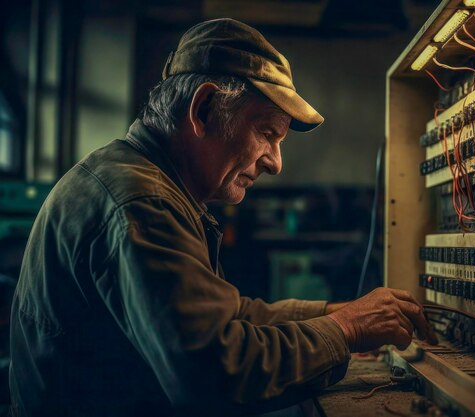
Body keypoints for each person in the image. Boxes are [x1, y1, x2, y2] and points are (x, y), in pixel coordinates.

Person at [9, 18, 437, 417]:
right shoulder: (142, 201)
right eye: (267, 134)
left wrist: (333, 312)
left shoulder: (147, 181)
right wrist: (345, 329)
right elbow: (216, 371)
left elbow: (226, 315)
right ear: (204, 108)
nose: (276, 163)